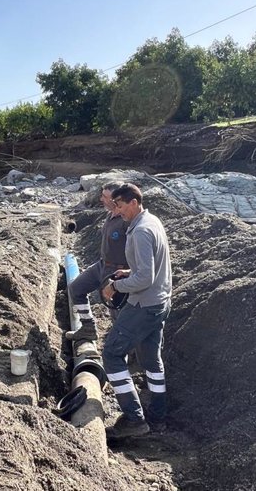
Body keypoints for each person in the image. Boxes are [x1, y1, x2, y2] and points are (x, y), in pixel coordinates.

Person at [101, 183, 172, 438]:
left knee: (111, 353)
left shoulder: (141, 231)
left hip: (144, 305)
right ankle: (158, 418)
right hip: (160, 302)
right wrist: (129, 272)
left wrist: (115, 286)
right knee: (152, 361)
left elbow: (145, 278)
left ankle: (135, 420)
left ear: (134, 202)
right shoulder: (152, 221)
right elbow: (150, 266)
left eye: (120, 206)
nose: (117, 211)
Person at [65, 182, 129, 341]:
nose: (101, 199)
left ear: (116, 199)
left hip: (118, 270)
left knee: (116, 309)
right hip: (103, 265)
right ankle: (88, 327)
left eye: (105, 196)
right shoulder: (110, 215)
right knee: (76, 288)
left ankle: (123, 347)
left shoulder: (127, 221)